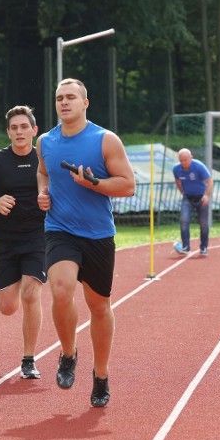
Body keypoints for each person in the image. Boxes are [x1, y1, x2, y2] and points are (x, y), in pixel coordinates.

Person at [36, 78, 135, 407]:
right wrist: (42, 192)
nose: (64, 103)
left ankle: (101, 373)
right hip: (60, 229)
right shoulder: (45, 142)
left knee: (98, 307)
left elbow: (127, 185)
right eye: (59, 98)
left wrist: (92, 184)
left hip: (98, 235)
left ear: (85, 103)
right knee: (61, 289)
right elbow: (43, 172)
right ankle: (68, 353)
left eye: (71, 98)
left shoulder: (105, 140)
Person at [0, 105, 46, 379]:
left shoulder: (45, 159)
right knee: (8, 306)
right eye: (14, 128)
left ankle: (28, 359)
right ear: (8, 132)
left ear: (34, 130)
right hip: (4, 240)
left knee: (30, 293)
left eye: (24, 126)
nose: (19, 132)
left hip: (38, 237)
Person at [172, 148, 213, 256]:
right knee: (184, 220)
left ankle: (204, 248)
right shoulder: (176, 169)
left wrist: (207, 195)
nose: (184, 162)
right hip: (188, 198)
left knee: (204, 224)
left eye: (186, 160)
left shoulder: (199, 166)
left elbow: (209, 181)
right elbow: (177, 180)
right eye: (181, 160)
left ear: (191, 157)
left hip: (201, 197)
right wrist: (182, 191)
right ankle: (186, 247)